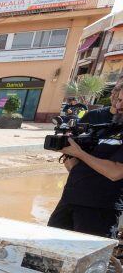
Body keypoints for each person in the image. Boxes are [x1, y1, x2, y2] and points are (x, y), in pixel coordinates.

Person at [48, 79, 123, 238]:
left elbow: (115, 172)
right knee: (47, 255)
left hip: (100, 209)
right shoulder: (106, 125)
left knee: (89, 260)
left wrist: (80, 154)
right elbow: (75, 163)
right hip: (70, 200)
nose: (118, 105)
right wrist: (69, 152)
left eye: (122, 100)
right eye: (118, 99)